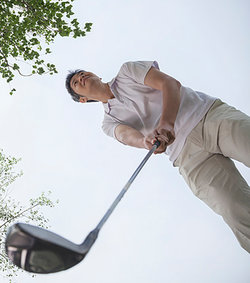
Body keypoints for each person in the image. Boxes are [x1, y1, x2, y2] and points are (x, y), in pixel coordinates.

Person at [65, 61, 250, 253]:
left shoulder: (127, 71)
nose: (81, 78)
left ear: (95, 74)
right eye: (76, 83)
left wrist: (166, 124)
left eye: (82, 73)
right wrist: (145, 141)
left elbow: (169, 84)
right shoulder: (108, 123)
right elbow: (126, 135)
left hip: (208, 117)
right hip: (185, 155)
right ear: (82, 100)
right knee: (235, 210)